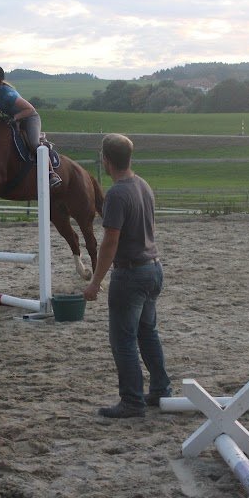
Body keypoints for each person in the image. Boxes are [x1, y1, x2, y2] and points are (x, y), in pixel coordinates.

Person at [83, 133, 172, 418]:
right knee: (148, 333)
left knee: (123, 340)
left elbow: (110, 242)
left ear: (106, 160)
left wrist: (95, 281)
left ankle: (132, 401)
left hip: (131, 274)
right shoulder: (142, 185)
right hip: (153, 268)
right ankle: (160, 389)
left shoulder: (117, 194)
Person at [0, 64, 62, 188]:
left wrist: (14, 119)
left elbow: (30, 109)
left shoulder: (7, 93)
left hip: (29, 118)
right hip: (14, 120)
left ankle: (52, 174)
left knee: (34, 145)